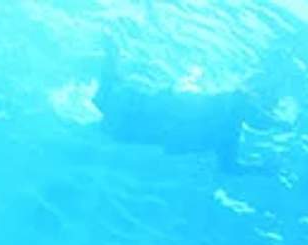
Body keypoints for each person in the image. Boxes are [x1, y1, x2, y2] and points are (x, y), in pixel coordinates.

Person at [94, 40, 265, 174]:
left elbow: (228, 167)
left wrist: (260, 170)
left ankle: (110, 60)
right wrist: (260, 170)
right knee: (111, 109)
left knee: (110, 107)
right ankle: (110, 61)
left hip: (149, 126)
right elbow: (229, 167)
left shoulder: (228, 127)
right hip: (148, 126)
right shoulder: (229, 128)